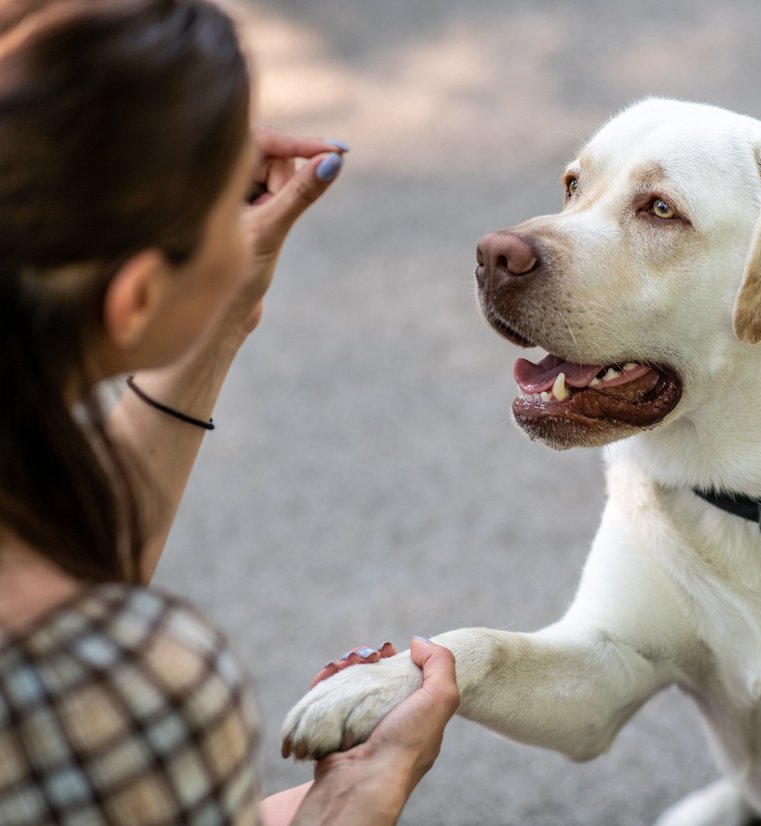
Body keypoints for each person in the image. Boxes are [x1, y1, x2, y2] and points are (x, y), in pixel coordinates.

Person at [0, 1, 459, 824]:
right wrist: (352, 804)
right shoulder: (123, 692)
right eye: (222, 196)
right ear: (136, 295)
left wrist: (212, 328)